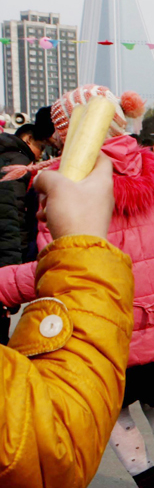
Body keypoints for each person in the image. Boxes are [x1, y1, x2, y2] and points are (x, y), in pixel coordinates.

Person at [0, 85, 154, 488]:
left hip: (100, 326)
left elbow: (58, 265)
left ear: (65, 133)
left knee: (113, 410)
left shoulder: (64, 183)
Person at [0, 152, 139, 488]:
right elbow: (48, 449)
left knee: (124, 418)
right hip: (111, 317)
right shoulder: (135, 187)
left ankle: (153, 485)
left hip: (82, 314)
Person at [0, 107, 54, 344]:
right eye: (40, 148)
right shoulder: (18, 165)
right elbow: (13, 223)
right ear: (28, 139)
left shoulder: (14, 163)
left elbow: (10, 221)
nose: (41, 155)